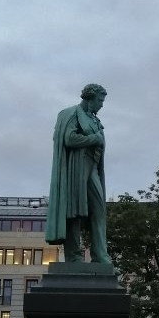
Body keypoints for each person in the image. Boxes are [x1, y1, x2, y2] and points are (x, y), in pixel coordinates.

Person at [45, 83, 110, 264]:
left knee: (99, 210)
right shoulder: (71, 113)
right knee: (74, 210)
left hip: (92, 167)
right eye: (100, 100)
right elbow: (69, 138)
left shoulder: (94, 119)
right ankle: (73, 255)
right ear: (89, 99)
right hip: (76, 166)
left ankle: (100, 255)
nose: (101, 105)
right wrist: (94, 139)